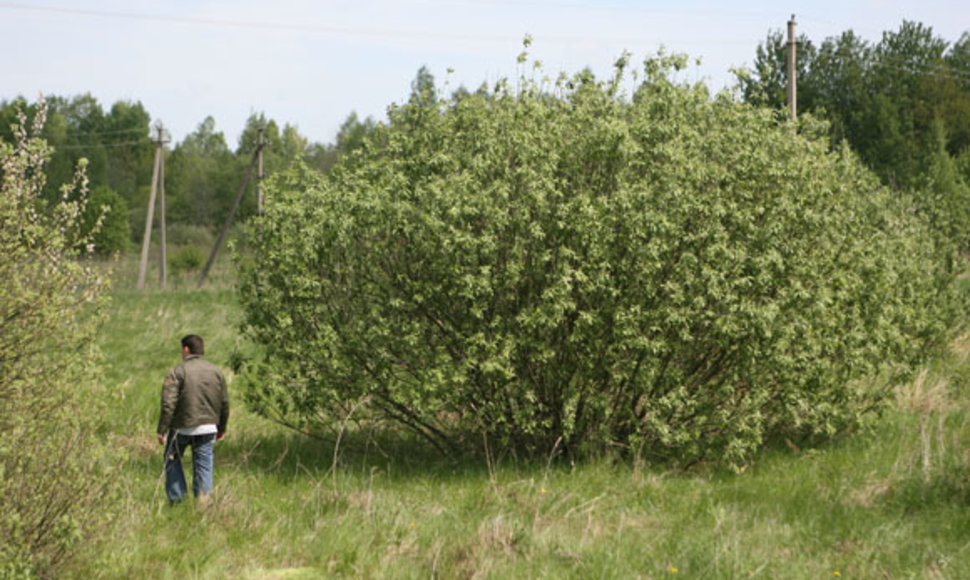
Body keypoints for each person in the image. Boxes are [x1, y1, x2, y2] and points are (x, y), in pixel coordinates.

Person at [156, 334, 229, 504]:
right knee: (203, 465)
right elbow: (224, 402)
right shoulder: (216, 371)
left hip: (182, 428)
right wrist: (221, 428)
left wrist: (162, 430)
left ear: (186, 349)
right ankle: (203, 503)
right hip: (209, 427)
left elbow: (168, 403)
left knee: (171, 459)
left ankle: (177, 499)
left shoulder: (179, 371)